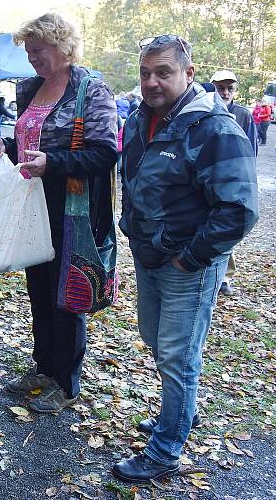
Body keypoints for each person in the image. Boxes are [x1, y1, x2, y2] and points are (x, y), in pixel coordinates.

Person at [114, 35, 258, 484]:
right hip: (148, 254)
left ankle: (165, 451)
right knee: (155, 339)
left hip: (186, 265)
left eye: (163, 72)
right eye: (144, 73)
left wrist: (190, 259)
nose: (151, 82)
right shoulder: (143, 118)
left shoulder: (213, 128)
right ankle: (180, 414)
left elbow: (239, 209)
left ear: (188, 74)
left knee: (178, 356)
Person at [0, 13, 118, 413]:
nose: (32, 59)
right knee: (39, 291)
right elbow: (26, 139)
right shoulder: (31, 88)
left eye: (37, 51)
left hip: (71, 211)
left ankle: (67, 381)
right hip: (31, 204)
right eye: (28, 53)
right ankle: (43, 368)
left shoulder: (90, 90)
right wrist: (3, 148)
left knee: (67, 297)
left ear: (62, 46)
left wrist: (53, 164)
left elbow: (105, 151)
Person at [210, 69, 257, 296]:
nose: (225, 92)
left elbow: (251, 147)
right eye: (220, 88)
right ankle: (212, 274)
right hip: (210, 180)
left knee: (228, 227)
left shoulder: (243, 114)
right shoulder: (205, 110)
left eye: (230, 88)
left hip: (233, 179)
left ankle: (225, 278)